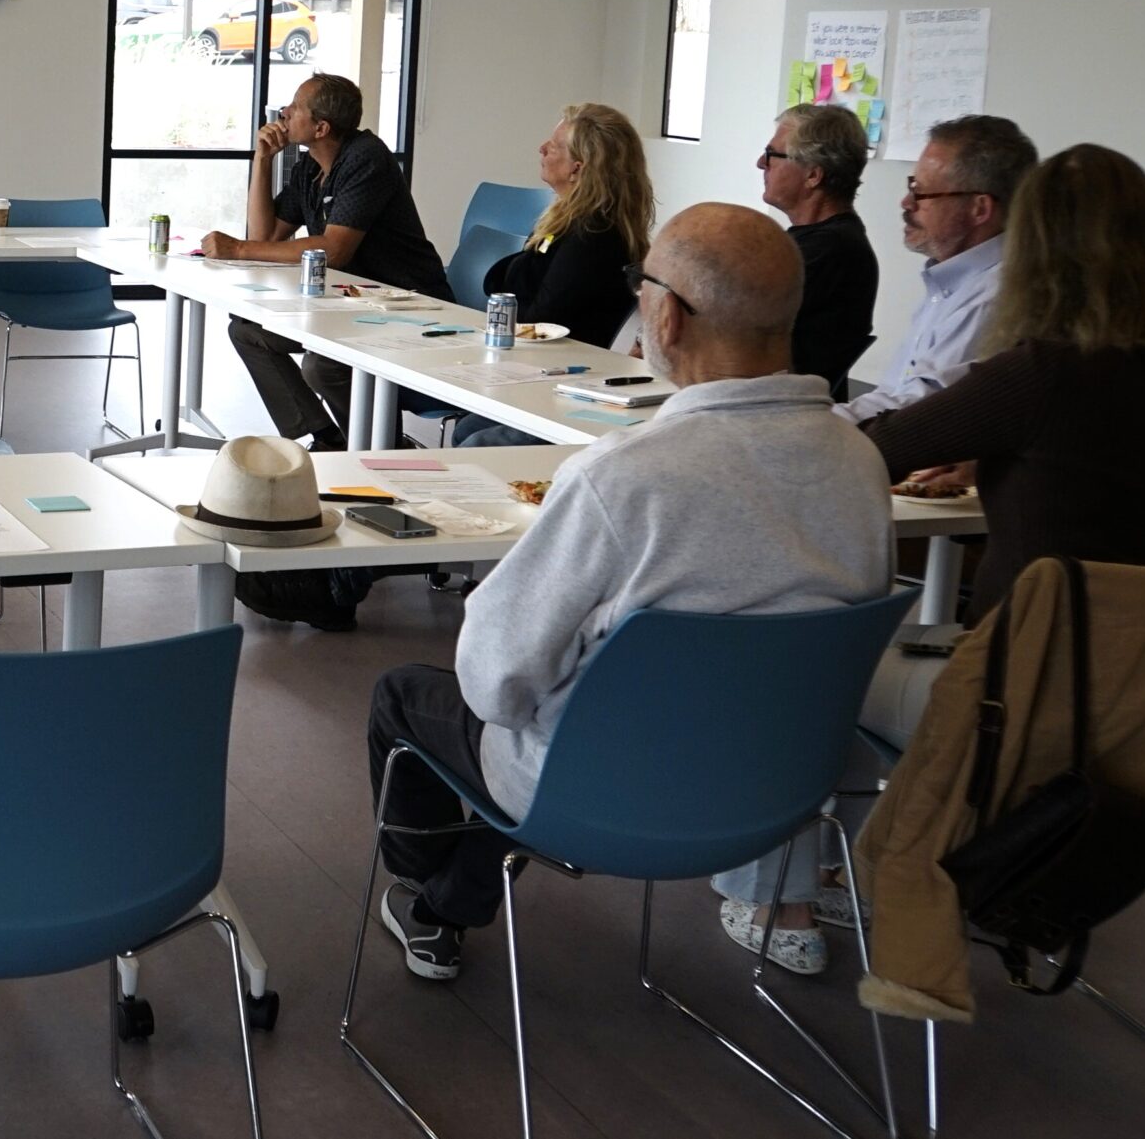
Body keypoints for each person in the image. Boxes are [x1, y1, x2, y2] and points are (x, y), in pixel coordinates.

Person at [364, 203, 891, 983]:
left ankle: (433, 899)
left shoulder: (625, 476)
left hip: (598, 797)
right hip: (776, 793)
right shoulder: (861, 464)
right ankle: (457, 885)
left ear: (667, 315)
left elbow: (494, 683)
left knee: (406, 697)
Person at [861, 144, 1145, 631]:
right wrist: (993, 459)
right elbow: (1098, 480)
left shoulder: (1043, 372)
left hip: (1018, 662)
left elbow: (877, 446)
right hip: (1140, 651)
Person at [203, 73, 450, 451]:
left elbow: (334, 250)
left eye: (295, 107)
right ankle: (328, 437)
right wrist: (263, 160)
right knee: (249, 331)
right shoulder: (310, 168)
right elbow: (265, 238)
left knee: (324, 366)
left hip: (404, 304)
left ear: (321, 127)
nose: (284, 112)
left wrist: (237, 250)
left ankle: (383, 449)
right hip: (347, 304)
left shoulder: (366, 158)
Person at [447, 102, 656, 446]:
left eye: (554, 146)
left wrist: (518, 281)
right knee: (469, 428)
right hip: (548, 371)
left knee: (474, 440)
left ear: (578, 168)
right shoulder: (566, 221)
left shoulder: (594, 235)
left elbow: (537, 318)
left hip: (572, 380)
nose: (542, 149)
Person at [835, 114, 1036, 423]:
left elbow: (918, 412)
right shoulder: (951, 284)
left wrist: (816, 427)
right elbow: (895, 393)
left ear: (979, 208)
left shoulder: (992, 298)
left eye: (922, 192)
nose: (906, 202)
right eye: (911, 186)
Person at [759, 103, 878, 398]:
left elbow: (728, 321)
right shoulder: (818, 242)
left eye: (773, 154)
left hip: (780, 416)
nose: (762, 163)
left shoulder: (829, 251)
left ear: (813, 176)